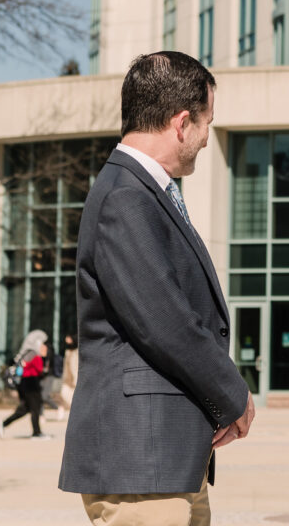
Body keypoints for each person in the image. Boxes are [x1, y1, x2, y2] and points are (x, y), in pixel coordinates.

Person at [58, 51, 255, 526]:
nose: (208, 138)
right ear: (182, 122)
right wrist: (234, 396)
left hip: (161, 459)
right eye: (208, 122)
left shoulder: (140, 191)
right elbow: (165, 322)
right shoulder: (127, 196)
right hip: (141, 458)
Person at [0, 329, 50, 440]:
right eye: (43, 344)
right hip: (31, 383)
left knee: (25, 409)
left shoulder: (27, 353)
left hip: (25, 383)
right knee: (35, 407)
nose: (44, 347)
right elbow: (40, 370)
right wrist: (44, 358)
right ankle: (36, 433)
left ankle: (4, 423)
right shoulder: (34, 354)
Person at [58, 333, 79, 421]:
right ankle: (63, 410)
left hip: (75, 377)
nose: (67, 340)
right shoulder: (67, 351)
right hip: (67, 377)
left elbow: (76, 366)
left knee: (72, 397)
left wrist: (76, 378)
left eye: (68, 338)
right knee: (63, 394)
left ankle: (74, 413)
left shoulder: (77, 351)